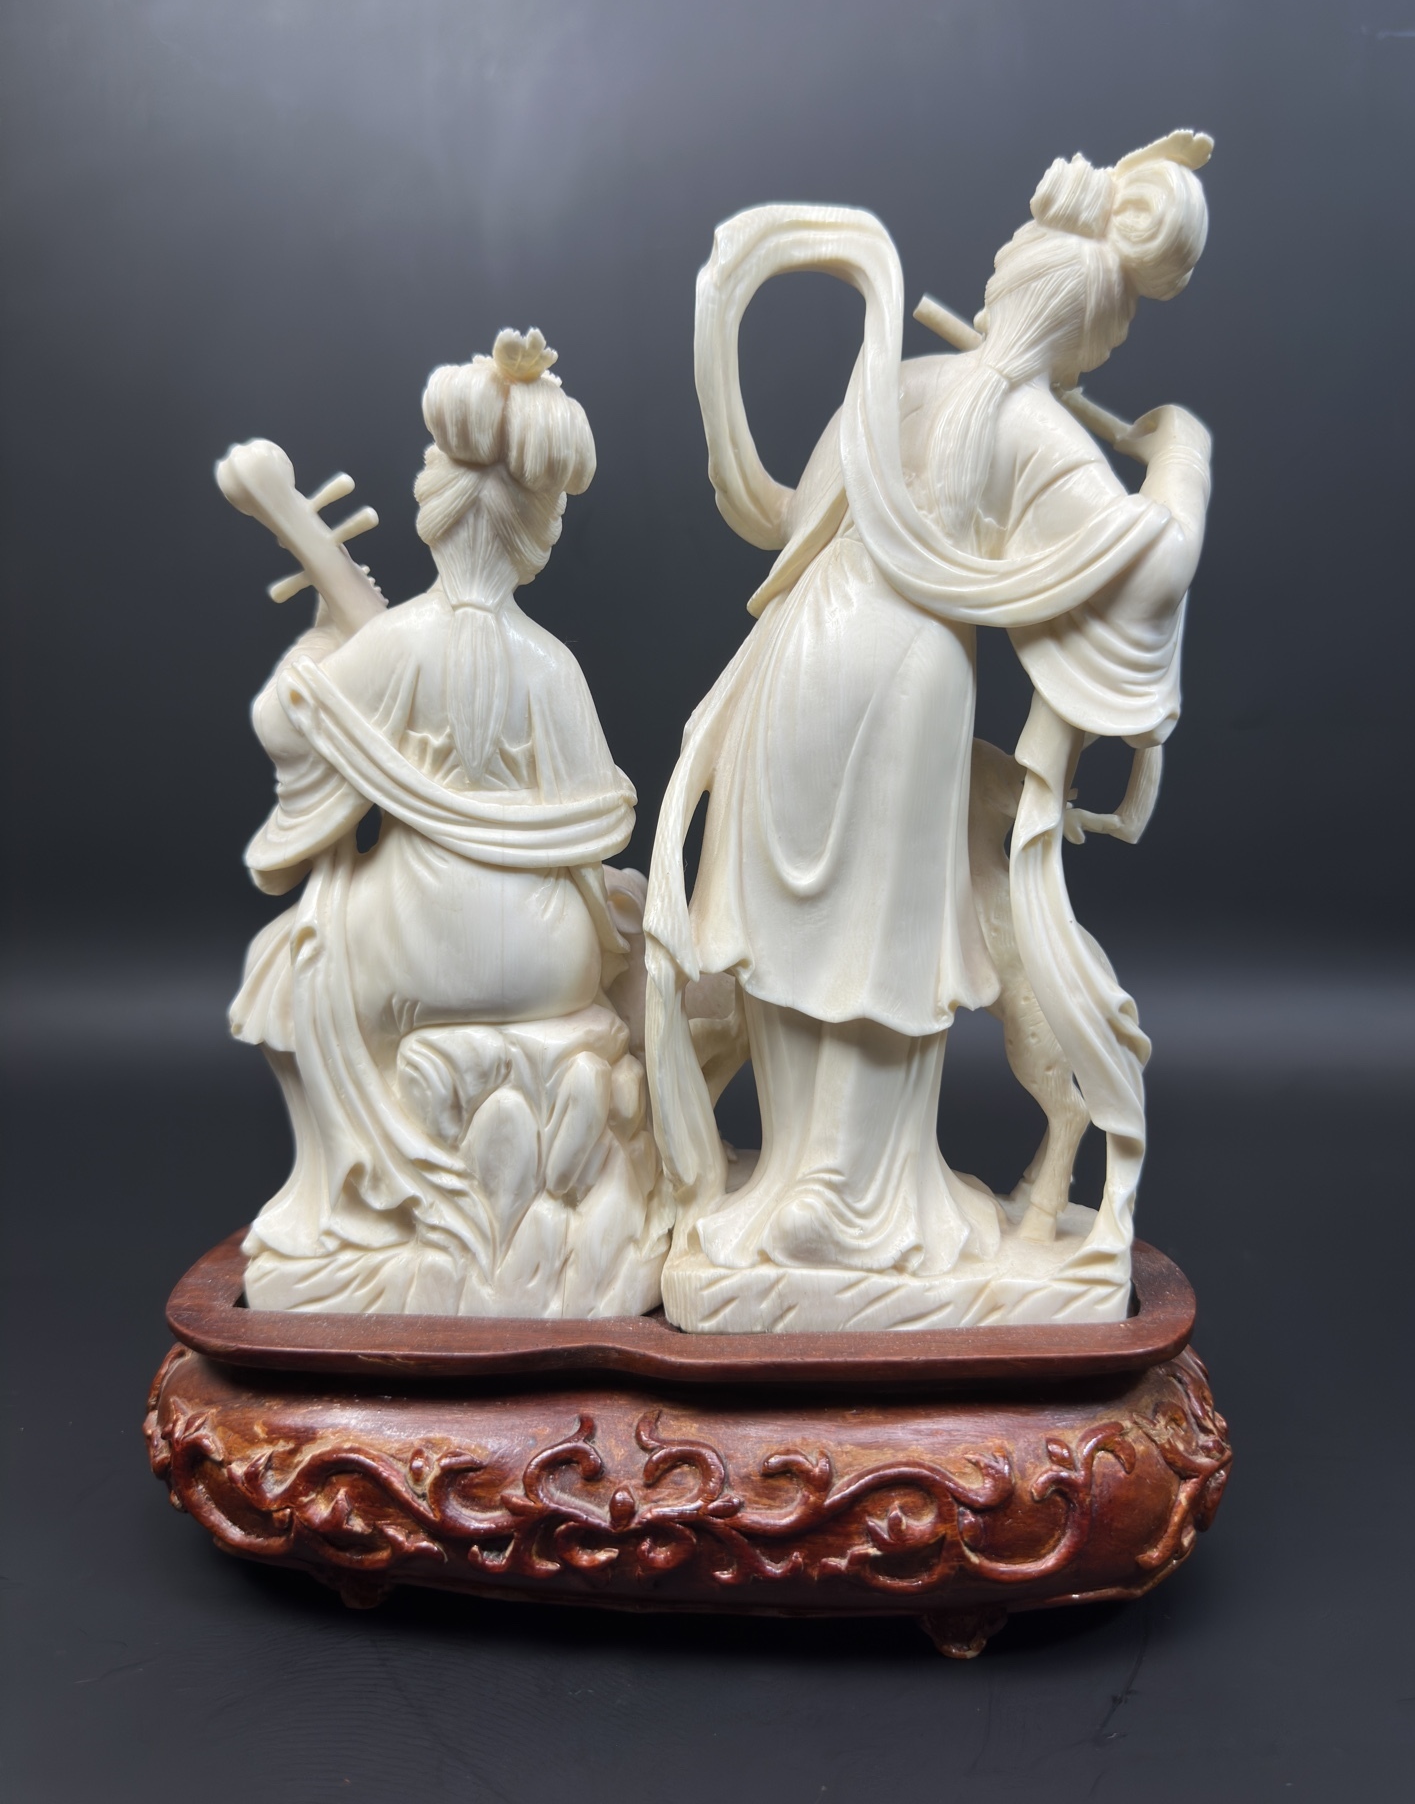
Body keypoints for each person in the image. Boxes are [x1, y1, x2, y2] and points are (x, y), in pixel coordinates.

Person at [646, 136, 1212, 1326]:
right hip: (901, 678)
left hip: (801, 652)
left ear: (1009, 283)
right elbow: (1149, 570)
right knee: (875, 947)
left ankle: (798, 1182)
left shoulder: (905, 380)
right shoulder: (1037, 431)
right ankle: (853, 1203)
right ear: (1093, 339)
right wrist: (1184, 460)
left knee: (799, 936)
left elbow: (793, 515)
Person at [231, 329, 668, 1316]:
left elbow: (285, 729)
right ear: (538, 531)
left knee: (285, 964)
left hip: (420, 944)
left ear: (434, 505)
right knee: (629, 912)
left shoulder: (394, 646)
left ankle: (342, 1200)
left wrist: (314, 657)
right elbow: (602, 819)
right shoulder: (552, 667)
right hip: (551, 957)